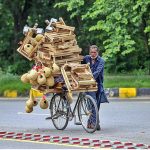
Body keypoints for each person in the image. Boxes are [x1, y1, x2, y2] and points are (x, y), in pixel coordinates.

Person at [82, 45, 109, 130]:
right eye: (91, 52)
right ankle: (95, 123)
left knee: (96, 105)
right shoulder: (86, 58)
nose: (92, 54)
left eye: (94, 52)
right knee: (93, 103)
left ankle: (91, 123)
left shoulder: (101, 61)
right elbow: (79, 65)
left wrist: (89, 77)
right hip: (89, 85)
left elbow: (97, 72)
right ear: (89, 52)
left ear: (97, 52)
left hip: (98, 84)